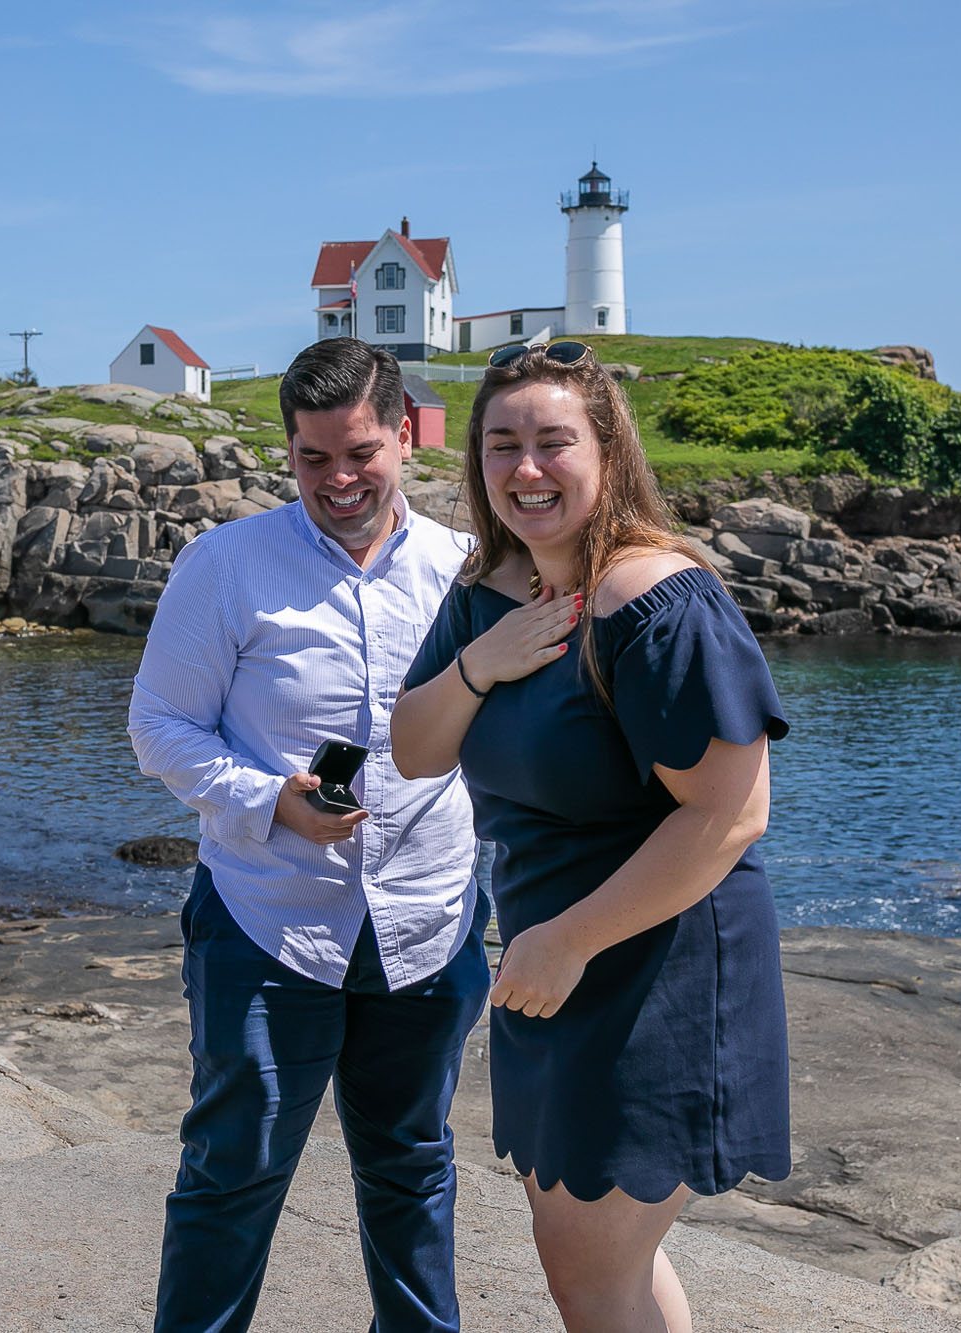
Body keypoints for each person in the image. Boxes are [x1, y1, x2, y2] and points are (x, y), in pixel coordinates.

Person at [391, 340, 790, 1333]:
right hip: (549, 963)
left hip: (651, 963)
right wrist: (480, 664)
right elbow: (411, 748)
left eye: (552, 442)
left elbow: (731, 812)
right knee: (592, 1264)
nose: (525, 469)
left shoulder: (652, 601)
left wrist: (569, 940)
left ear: (606, 452)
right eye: (501, 444)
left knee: (592, 1267)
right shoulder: (490, 589)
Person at [127, 338, 488, 1333]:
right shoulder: (225, 565)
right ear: (286, 450)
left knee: (412, 1168)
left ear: (406, 436)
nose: (337, 479)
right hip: (264, 919)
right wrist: (267, 798)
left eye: (359, 453)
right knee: (231, 1172)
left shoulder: (467, 571)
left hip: (431, 919)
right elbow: (159, 727)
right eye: (312, 458)